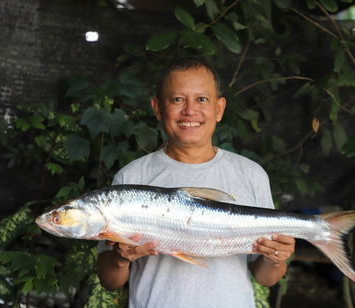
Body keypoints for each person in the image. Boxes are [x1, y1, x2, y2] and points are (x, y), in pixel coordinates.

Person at [97, 57, 295, 308]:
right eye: (177, 99)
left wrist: (275, 259)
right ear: (157, 108)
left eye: (202, 99)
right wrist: (119, 259)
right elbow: (109, 280)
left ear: (219, 109)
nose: (190, 110)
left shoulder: (251, 174)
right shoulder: (132, 178)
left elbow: (265, 277)